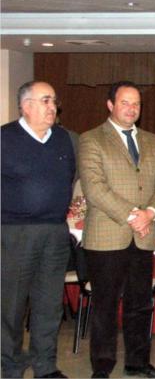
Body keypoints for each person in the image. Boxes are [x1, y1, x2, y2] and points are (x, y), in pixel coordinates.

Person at [79, 81, 155, 379]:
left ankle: (137, 363)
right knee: (105, 306)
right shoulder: (91, 139)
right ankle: (102, 367)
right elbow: (94, 188)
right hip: (107, 236)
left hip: (143, 237)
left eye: (136, 104)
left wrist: (151, 213)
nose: (132, 109)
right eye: (125, 102)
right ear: (110, 105)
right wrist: (134, 216)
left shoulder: (152, 141)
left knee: (140, 305)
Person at [1, 81, 75, 379]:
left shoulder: (63, 139)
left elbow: (68, 177)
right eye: (45, 100)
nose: (52, 107)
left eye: (54, 101)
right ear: (26, 106)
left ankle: (46, 366)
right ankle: (11, 365)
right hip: (16, 232)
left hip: (55, 232)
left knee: (49, 305)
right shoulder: (5, 138)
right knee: (11, 306)